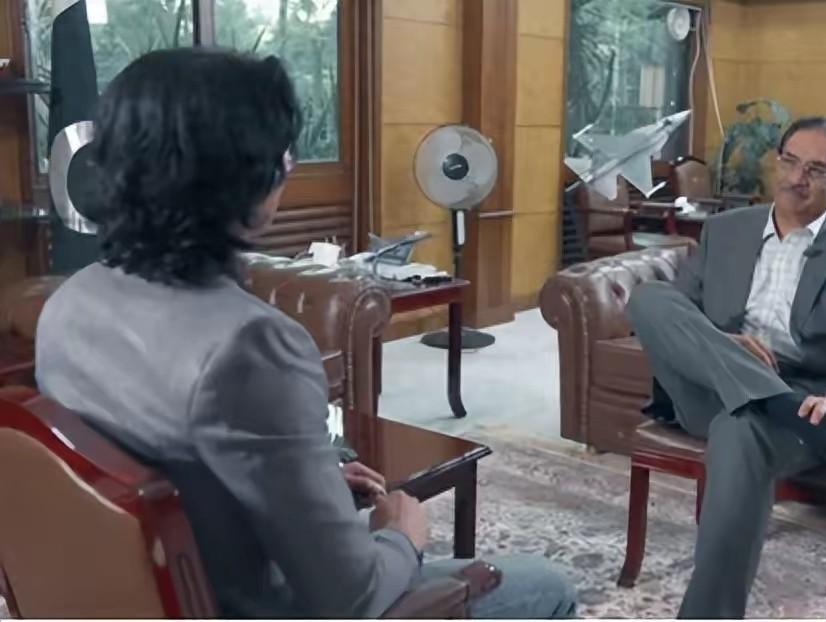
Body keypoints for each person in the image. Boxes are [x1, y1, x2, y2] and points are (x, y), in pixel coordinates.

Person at [33, 48, 575, 619]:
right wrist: (402, 534)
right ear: (239, 178)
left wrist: (309, 482)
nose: (287, 170)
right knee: (544, 585)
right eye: (279, 156)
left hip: (137, 596)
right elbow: (350, 599)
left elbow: (181, 469)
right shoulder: (251, 347)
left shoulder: (68, 304)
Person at [626, 117, 826, 618]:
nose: (796, 178)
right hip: (711, 386)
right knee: (648, 299)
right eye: (790, 161)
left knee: (740, 430)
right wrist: (723, 343)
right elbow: (681, 313)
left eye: (815, 170)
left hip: (806, 401)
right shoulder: (724, 230)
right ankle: (790, 411)